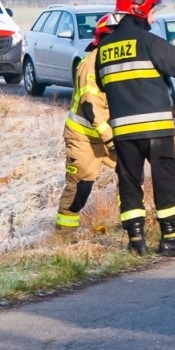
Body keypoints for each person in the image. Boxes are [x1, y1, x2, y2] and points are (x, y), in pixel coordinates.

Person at [95, 0, 175, 257]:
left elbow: (101, 82)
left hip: (123, 132)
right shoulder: (150, 42)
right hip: (155, 128)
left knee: (130, 183)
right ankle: (171, 238)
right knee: (164, 182)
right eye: (152, 10)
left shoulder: (105, 48)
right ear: (139, 8)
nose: (153, 17)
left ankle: (136, 242)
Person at [55, 13, 119, 234]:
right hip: (84, 136)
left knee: (132, 176)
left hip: (110, 134)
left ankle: (131, 226)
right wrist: (109, 139)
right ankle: (64, 237)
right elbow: (91, 106)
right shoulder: (91, 63)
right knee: (80, 186)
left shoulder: (118, 60)